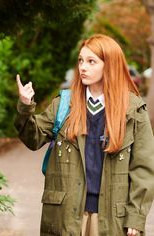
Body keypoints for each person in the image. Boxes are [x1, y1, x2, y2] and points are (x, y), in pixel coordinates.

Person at [15, 34, 154, 236]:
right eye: (80, 60)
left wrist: (136, 216)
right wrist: (25, 107)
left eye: (91, 61)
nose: (83, 67)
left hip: (112, 219)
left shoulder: (133, 110)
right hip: (67, 216)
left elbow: (144, 168)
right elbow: (33, 138)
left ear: (110, 65)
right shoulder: (64, 104)